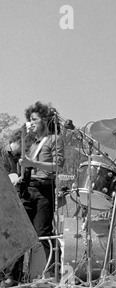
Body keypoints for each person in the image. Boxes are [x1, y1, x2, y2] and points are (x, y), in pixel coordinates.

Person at [18, 101, 65, 278]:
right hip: (28, 188)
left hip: (44, 188)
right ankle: (15, 275)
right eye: (30, 119)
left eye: (34, 119)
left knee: (43, 232)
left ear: (45, 120)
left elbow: (58, 166)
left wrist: (33, 163)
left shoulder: (55, 139)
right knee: (22, 231)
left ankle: (54, 271)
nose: (32, 122)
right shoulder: (33, 142)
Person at [0, 126, 34, 287]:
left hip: (18, 204)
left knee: (20, 237)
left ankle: (14, 276)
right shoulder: (2, 155)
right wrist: (12, 179)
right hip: (3, 204)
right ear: (17, 141)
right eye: (25, 146)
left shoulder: (23, 160)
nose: (26, 150)